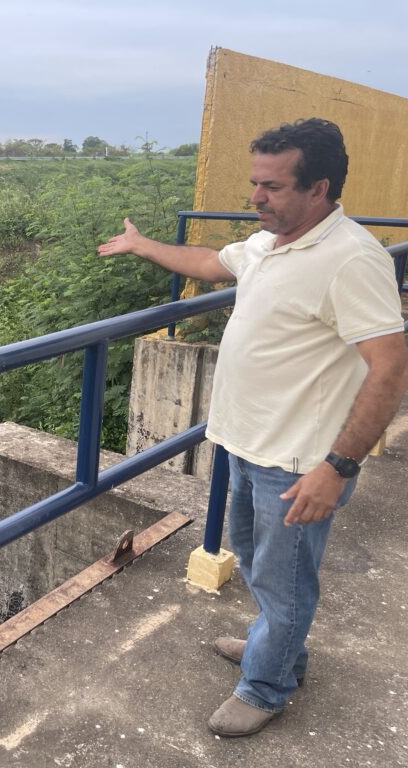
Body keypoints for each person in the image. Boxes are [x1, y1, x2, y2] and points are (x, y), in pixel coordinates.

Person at [98, 117, 408, 737]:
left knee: (283, 580)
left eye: (272, 186)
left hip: (299, 462)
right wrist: (143, 244)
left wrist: (337, 467)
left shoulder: (351, 259)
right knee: (258, 564)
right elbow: (209, 262)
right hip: (246, 444)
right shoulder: (269, 242)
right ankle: (279, 649)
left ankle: (266, 687)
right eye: (254, 183)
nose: (255, 197)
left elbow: (391, 366)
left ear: (319, 188)